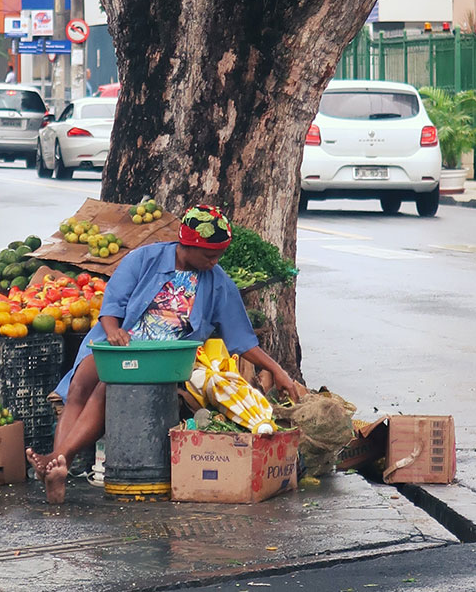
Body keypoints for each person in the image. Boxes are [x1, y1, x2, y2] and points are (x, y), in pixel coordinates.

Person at [27, 204, 304, 504]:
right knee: (81, 381)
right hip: (118, 341)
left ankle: (59, 461)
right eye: (209, 255)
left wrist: (278, 370)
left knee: (110, 387)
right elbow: (112, 307)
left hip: (163, 358)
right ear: (187, 244)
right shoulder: (143, 259)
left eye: (218, 256)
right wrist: (112, 332)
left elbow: (241, 340)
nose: (214, 262)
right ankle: (56, 466)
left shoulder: (218, 282)